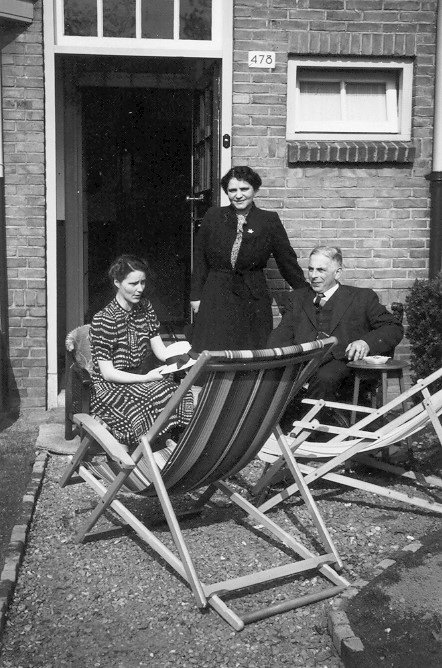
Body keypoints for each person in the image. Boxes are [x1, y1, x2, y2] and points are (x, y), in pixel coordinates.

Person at [190, 166, 307, 352]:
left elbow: (286, 261)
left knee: (251, 348)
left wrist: (306, 292)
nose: (238, 195)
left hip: (252, 293)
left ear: (255, 190)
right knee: (214, 347)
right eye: (232, 190)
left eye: (244, 189)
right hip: (217, 291)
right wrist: (196, 296)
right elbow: (200, 258)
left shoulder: (268, 220)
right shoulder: (214, 216)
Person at [268, 245, 404, 403]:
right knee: (271, 377)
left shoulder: (362, 298)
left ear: (337, 272)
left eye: (321, 270)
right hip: (302, 362)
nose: (313, 275)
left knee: (325, 378)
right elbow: (282, 333)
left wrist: (365, 342)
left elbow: (393, 327)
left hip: (342, 362)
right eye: (311, 269)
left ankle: (312, 420)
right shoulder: (297, 298)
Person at [89, 254, 194, 451]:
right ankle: (133, 452)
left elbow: (160, 350)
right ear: (117, 282)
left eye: (143, 282)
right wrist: (146, 378)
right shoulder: (104, 319)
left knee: (179, 391)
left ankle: (171, 445)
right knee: (141, 402)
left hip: (140, 378)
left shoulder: (145, 308)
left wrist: (183, 357)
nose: (140, 289)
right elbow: (108, 373)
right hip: (111, 386)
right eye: (133, 283)